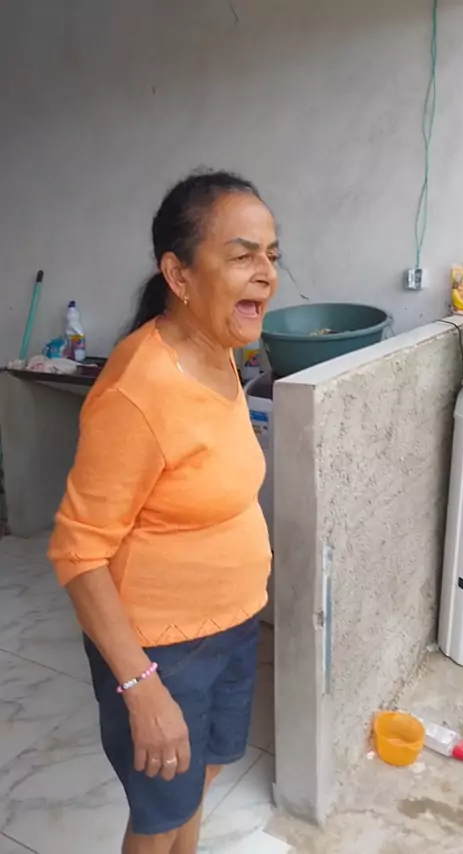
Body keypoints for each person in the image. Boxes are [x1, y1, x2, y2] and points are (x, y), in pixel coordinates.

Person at [48, 170, 279, 854]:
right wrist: (141, 686)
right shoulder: (137, 390)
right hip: (162, 651)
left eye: (272, 255)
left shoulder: (221, 350)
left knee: (200, 778)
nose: (266, 273)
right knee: (159, 816)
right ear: (178, 275)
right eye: (242, 255)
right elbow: (77, 551)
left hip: (233, 626)